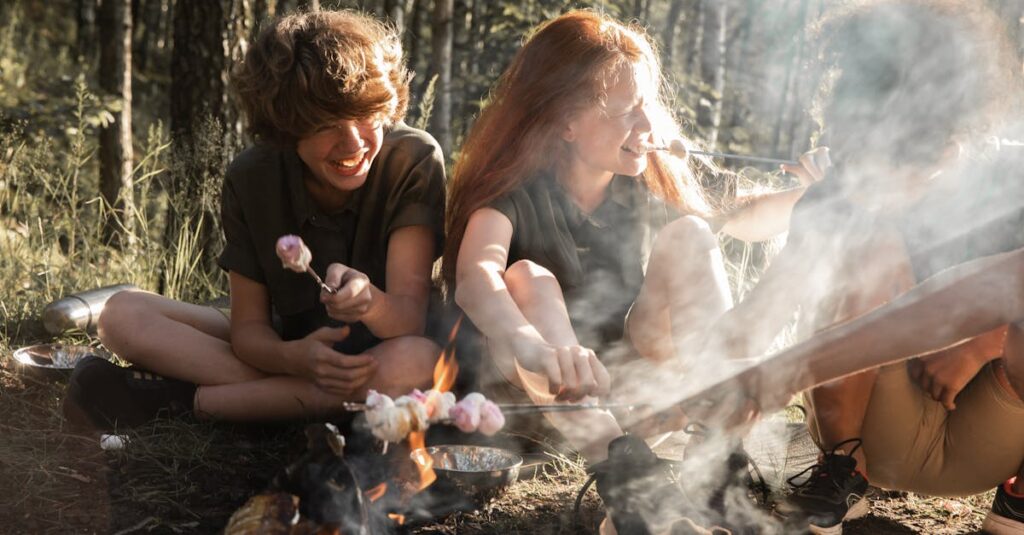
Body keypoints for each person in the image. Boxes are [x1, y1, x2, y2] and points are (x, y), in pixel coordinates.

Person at [443, 10, 822, 531]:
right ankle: (621, 475)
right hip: (541, 404)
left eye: (647, 105)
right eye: (627, 112)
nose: (648, 126)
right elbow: (475, 277)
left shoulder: (647, 173)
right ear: (565, 122)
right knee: (528, 275)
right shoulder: (513, 191)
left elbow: (749, 217)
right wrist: (540, 347)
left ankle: (717, 444)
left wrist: (825, 196)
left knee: (690, 234)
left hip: (633, 400)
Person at [673, 1, 1024, 533]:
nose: (864, 190)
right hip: (874, 427)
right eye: (854, 163)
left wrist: (981, 343)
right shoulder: (841, 200)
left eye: (885, 175)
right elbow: (760, 317)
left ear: (950, 152)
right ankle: (840, 476)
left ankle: (1018, 503)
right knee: (862, 243)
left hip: (991, 431)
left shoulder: (1008, 188)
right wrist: (691, 384)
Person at [63, 10, 446, 429]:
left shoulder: (414, 160)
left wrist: (369, 301)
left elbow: (409, 318)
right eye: (325, 125)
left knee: (419, 361)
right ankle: (283, 400)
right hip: (291, 343)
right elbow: (250, 332)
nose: (353, 142)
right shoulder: (253, 176)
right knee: (121, 313)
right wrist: (294, 360)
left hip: (382, 353)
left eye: (363, 115)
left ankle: (177, 402)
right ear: (286, 126)